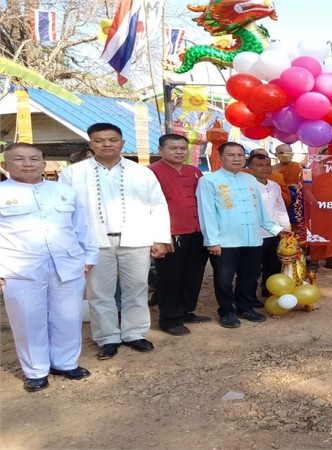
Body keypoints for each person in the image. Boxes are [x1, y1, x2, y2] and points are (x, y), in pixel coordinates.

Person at [59, 123, 171, 360]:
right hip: (92, 243)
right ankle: (107, 338)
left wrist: (160, 238)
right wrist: (72, 245)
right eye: (100, 140)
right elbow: (64, 211)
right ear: (91, 144)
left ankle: (135, 334)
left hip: (136, 239)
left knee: (137, 289)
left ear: (122, 142)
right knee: (99, 293)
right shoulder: (73, 173)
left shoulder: (141, 172)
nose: (106, 144)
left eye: (112, 139)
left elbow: (158, 205)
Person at [0, 143, 98, 392]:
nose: (28, 163)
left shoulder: (64, 191)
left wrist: (89, 256)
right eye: (19, 159)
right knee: (28, 320)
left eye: (34, 158)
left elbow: (82, 226)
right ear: (5, 165)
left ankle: (65, 362)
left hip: (67, 263)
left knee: (67, 316)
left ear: (44, 164)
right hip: (20, 267)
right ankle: (36, 370)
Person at [197, 142, 290, 328]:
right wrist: (212, 241)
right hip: (225, 241)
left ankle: (245, 307)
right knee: (224, 278)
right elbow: (206, 213)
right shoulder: (209, 181)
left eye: (240, 155)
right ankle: (226, 311)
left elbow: (261, 212)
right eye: (231, 155)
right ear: (221, 157)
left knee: (250, 275)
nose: (236, 159)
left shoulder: (250, 181)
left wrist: (277, 229)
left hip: (252, 239)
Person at [148, 134, 211, 336]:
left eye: (183, 148)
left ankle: (185, 311)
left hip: (196, 232)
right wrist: (160, 236)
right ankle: (169, 319)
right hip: (171, 236)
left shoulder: (194, 172)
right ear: (161, 150)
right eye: (173, 148)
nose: (179, 152)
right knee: (170, 279)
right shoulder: (150, 173)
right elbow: (147, 208)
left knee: (193, 276)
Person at [246, 152, 291, 298]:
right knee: (252, 269)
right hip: (254, 234)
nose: (265, 169)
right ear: (250, 168)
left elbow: (280, 208)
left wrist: (285, 227)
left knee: (273, 266)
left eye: (267, 165)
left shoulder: (274, 186)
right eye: (259, 166)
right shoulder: (246, 187)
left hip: (275, 232)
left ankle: (269, 291)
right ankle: (249, 298)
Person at [274, 143, 305, 242]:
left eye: (288, 152)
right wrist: (288, 186)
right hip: (279, 203)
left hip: (298, 203)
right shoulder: (270, 170)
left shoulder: (301, 167)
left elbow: (310, 183)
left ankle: (298, 251)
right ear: (276, 155)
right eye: (282, 153)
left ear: (292, 154)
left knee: (298, 227)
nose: (285, 155)